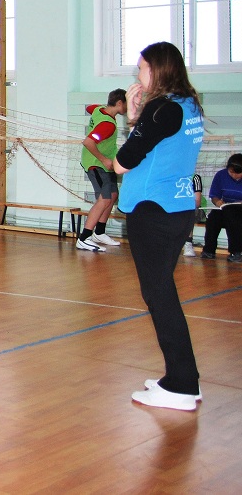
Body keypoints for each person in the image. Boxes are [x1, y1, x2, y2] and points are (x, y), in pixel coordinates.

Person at [112, 41, 204, 411]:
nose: (138, 74)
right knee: (162, 292)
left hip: (153, 211)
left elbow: (122, 161)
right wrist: (138, 118)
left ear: (157, 70)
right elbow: (157, 144)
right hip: (178, 208)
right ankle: (184, 378)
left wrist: (133, 116)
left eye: (141, 68)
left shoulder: (161, 109)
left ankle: (181, 386)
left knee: (159, 295)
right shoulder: (189, 105)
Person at [75, 89, 128, 252]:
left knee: (113, 195)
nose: (128, 108)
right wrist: (104, 159)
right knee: (104, 199)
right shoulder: (107, 125)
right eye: (127, 104)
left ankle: (99, 232)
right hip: (96, 164)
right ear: (119, 103)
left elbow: (89, 108)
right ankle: (84, 238)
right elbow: (88, 142)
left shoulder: (99, 109)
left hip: (107, 163)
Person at [201, 153, 242, 261]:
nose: (234, 175)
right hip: (226, 207)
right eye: (231, 172)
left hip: (239, 211)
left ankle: (236, 252)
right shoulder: (221, 175)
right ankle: (208, 250)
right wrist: (218, 202)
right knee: (213, 217)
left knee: (232, 215)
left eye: (237, 173)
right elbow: (214, 196)